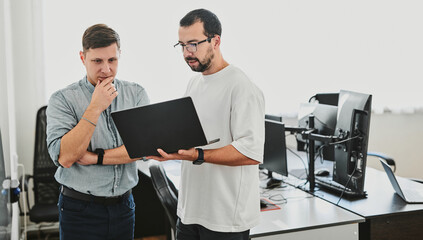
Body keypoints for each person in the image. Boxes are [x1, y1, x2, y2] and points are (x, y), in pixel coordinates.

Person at [147, 9, 265, 240]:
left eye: (193, 44)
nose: (186, 53)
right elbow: (190, 136)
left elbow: (251, 152)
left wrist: (197, 155)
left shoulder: (241, 87)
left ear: (215, 40)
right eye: (181, 45)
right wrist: (170, 149)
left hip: (225, 219)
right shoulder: (194, 84)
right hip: (190, 212)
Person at [46, 24, 149, 240]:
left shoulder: (136, 94)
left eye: (112, 60)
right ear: (82, 58)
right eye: (97, 61)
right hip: (80, 209)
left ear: (120, 55)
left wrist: (95, 158)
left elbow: (142, 149)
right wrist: (95, 107)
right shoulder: (62, 100)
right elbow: (65, 157)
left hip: (124, 206)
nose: (106, 69)